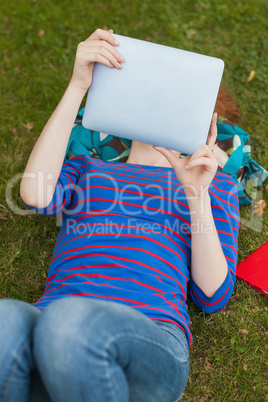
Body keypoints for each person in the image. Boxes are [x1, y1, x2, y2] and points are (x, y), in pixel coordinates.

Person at [0, 28, 240, 402]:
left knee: (69, 322)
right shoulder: (88, 167)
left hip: (149, 334)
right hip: (53, 321)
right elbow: (34, 193)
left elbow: (213, 295)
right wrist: (79, 84)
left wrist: (196, 196)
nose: (160, 97)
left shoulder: (213, 188)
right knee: (5, 321)